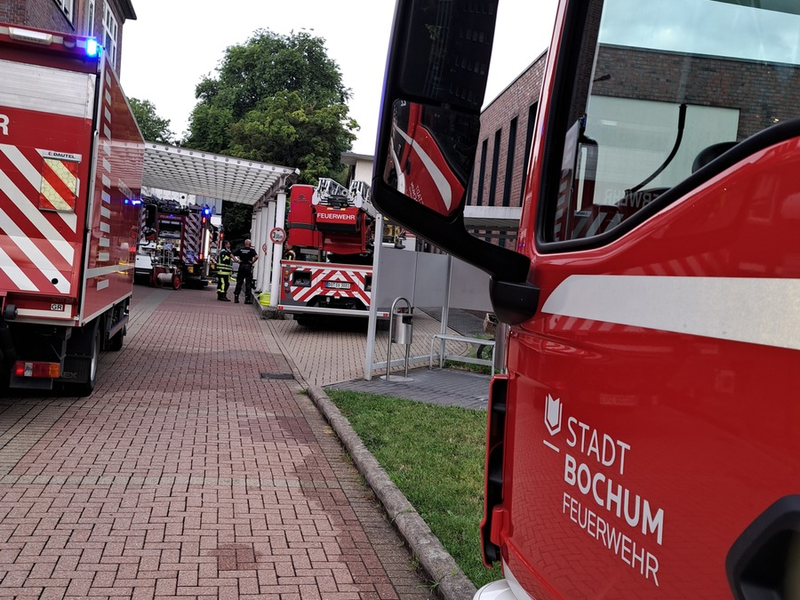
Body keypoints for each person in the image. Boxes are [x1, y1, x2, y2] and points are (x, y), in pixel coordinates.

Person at [233, 238, 258, 304]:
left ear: (245, 244)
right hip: (248, 267)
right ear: (250, 244)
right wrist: (252, 262)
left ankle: (236, 297)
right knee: (248, 283)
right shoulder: (251, 250)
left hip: (241, 266)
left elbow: (232, 254)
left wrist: (237, 260)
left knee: (239, 282)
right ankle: (247, 299)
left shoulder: (240, 249)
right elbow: (257, 257)